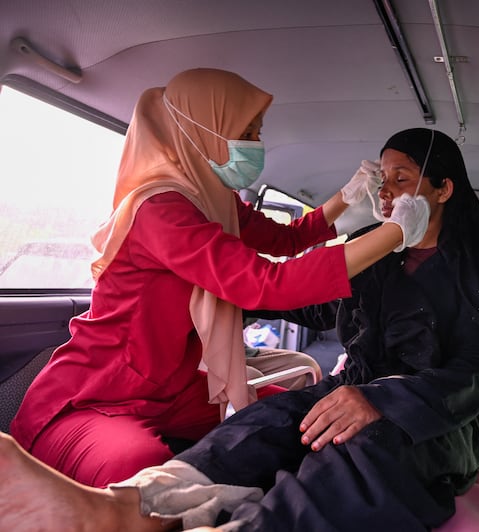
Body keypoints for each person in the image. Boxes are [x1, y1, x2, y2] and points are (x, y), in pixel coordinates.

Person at [0, 128, 479, 532]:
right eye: (382, 182)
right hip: (354, 389)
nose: (385, 194)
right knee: (265, 422)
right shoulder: (375, 247)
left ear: (444, 188)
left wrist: (385, 403)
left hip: (438, 417)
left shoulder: (478, 264)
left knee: (368, 448)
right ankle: (129, 506)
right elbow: (314, 301)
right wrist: (242, 302)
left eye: (402, 180)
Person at [8, 69, 429, 489]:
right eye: (246, 131)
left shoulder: (213, 199)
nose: (256, 144)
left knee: (295, 421)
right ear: (201, 130)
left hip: (174, 385)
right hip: (101, 391)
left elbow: (285, 238)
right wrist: (394, 233)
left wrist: (346, 196)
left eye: (257, 132)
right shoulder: (160, 209)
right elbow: (265, 283)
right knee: (142, 474)